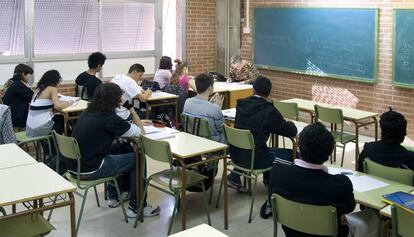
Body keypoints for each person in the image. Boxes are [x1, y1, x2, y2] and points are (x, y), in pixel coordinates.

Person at [69, 83, 161, 218]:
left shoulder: (88, 112)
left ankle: (114, 196)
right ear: (116, 100)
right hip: (90, 169)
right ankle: (138, 207)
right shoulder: (109, 118)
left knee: (118, 147)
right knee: (138, 157)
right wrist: (131, 109)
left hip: (74, 167)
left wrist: (127, 124)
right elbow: (140, 132)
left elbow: (113, 127)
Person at [269, 122, 356, 237]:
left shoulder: (277, 172)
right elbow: (349, 207)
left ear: (299, 146)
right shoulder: (340, 184)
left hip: (292, 232)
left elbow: (271, 202)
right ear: (329, 153)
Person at [228, 76, 297, 191]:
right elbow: (291, 132)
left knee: (260, 147)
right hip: (255, 159)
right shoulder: (269, 110)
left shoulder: (241, 105)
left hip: (235, 154)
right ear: (268, 93)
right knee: (294, 154)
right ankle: (275, 186)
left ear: (253, 89)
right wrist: (291, 123)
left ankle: (235, 176)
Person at [26, 70, 72, 137]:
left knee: (59, 118)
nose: (59, 83)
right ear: (54, 80)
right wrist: (69, 103)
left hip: (30, 128)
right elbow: (57, 106)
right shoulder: (52, 89)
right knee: (62, 120)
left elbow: (46, 104)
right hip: (41, 128)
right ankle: (69, 141)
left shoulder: (38, 89)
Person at [182, 73, 224, 143]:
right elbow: (221, 128)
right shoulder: (215, 109)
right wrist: (218, 108)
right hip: (212, 144)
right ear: (210, 88)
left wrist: (210, 104)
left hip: (192, 141)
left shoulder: (187, 102)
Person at [1, 64, 34, 128]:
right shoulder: (19, 84)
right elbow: (33, 98)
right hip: (16, 120)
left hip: (7, 117)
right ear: (23, 74)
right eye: (29, 75)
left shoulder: (9, 81)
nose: (30, 78)